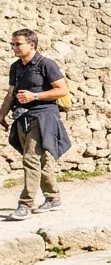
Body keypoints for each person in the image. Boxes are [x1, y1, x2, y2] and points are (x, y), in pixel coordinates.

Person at [1, 29, 72, 220]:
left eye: (18, 44)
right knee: (40, 160)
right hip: (22, 117)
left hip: (43, 117)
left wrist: (35, 96)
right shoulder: (16, 67)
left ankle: (26, 203)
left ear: (31, 45)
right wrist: (1, 115)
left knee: (30, 159)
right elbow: (10, 94)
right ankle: (53, 198)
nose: (14, 47)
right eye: (13, 44)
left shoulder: (46, 64)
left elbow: (62, 90)